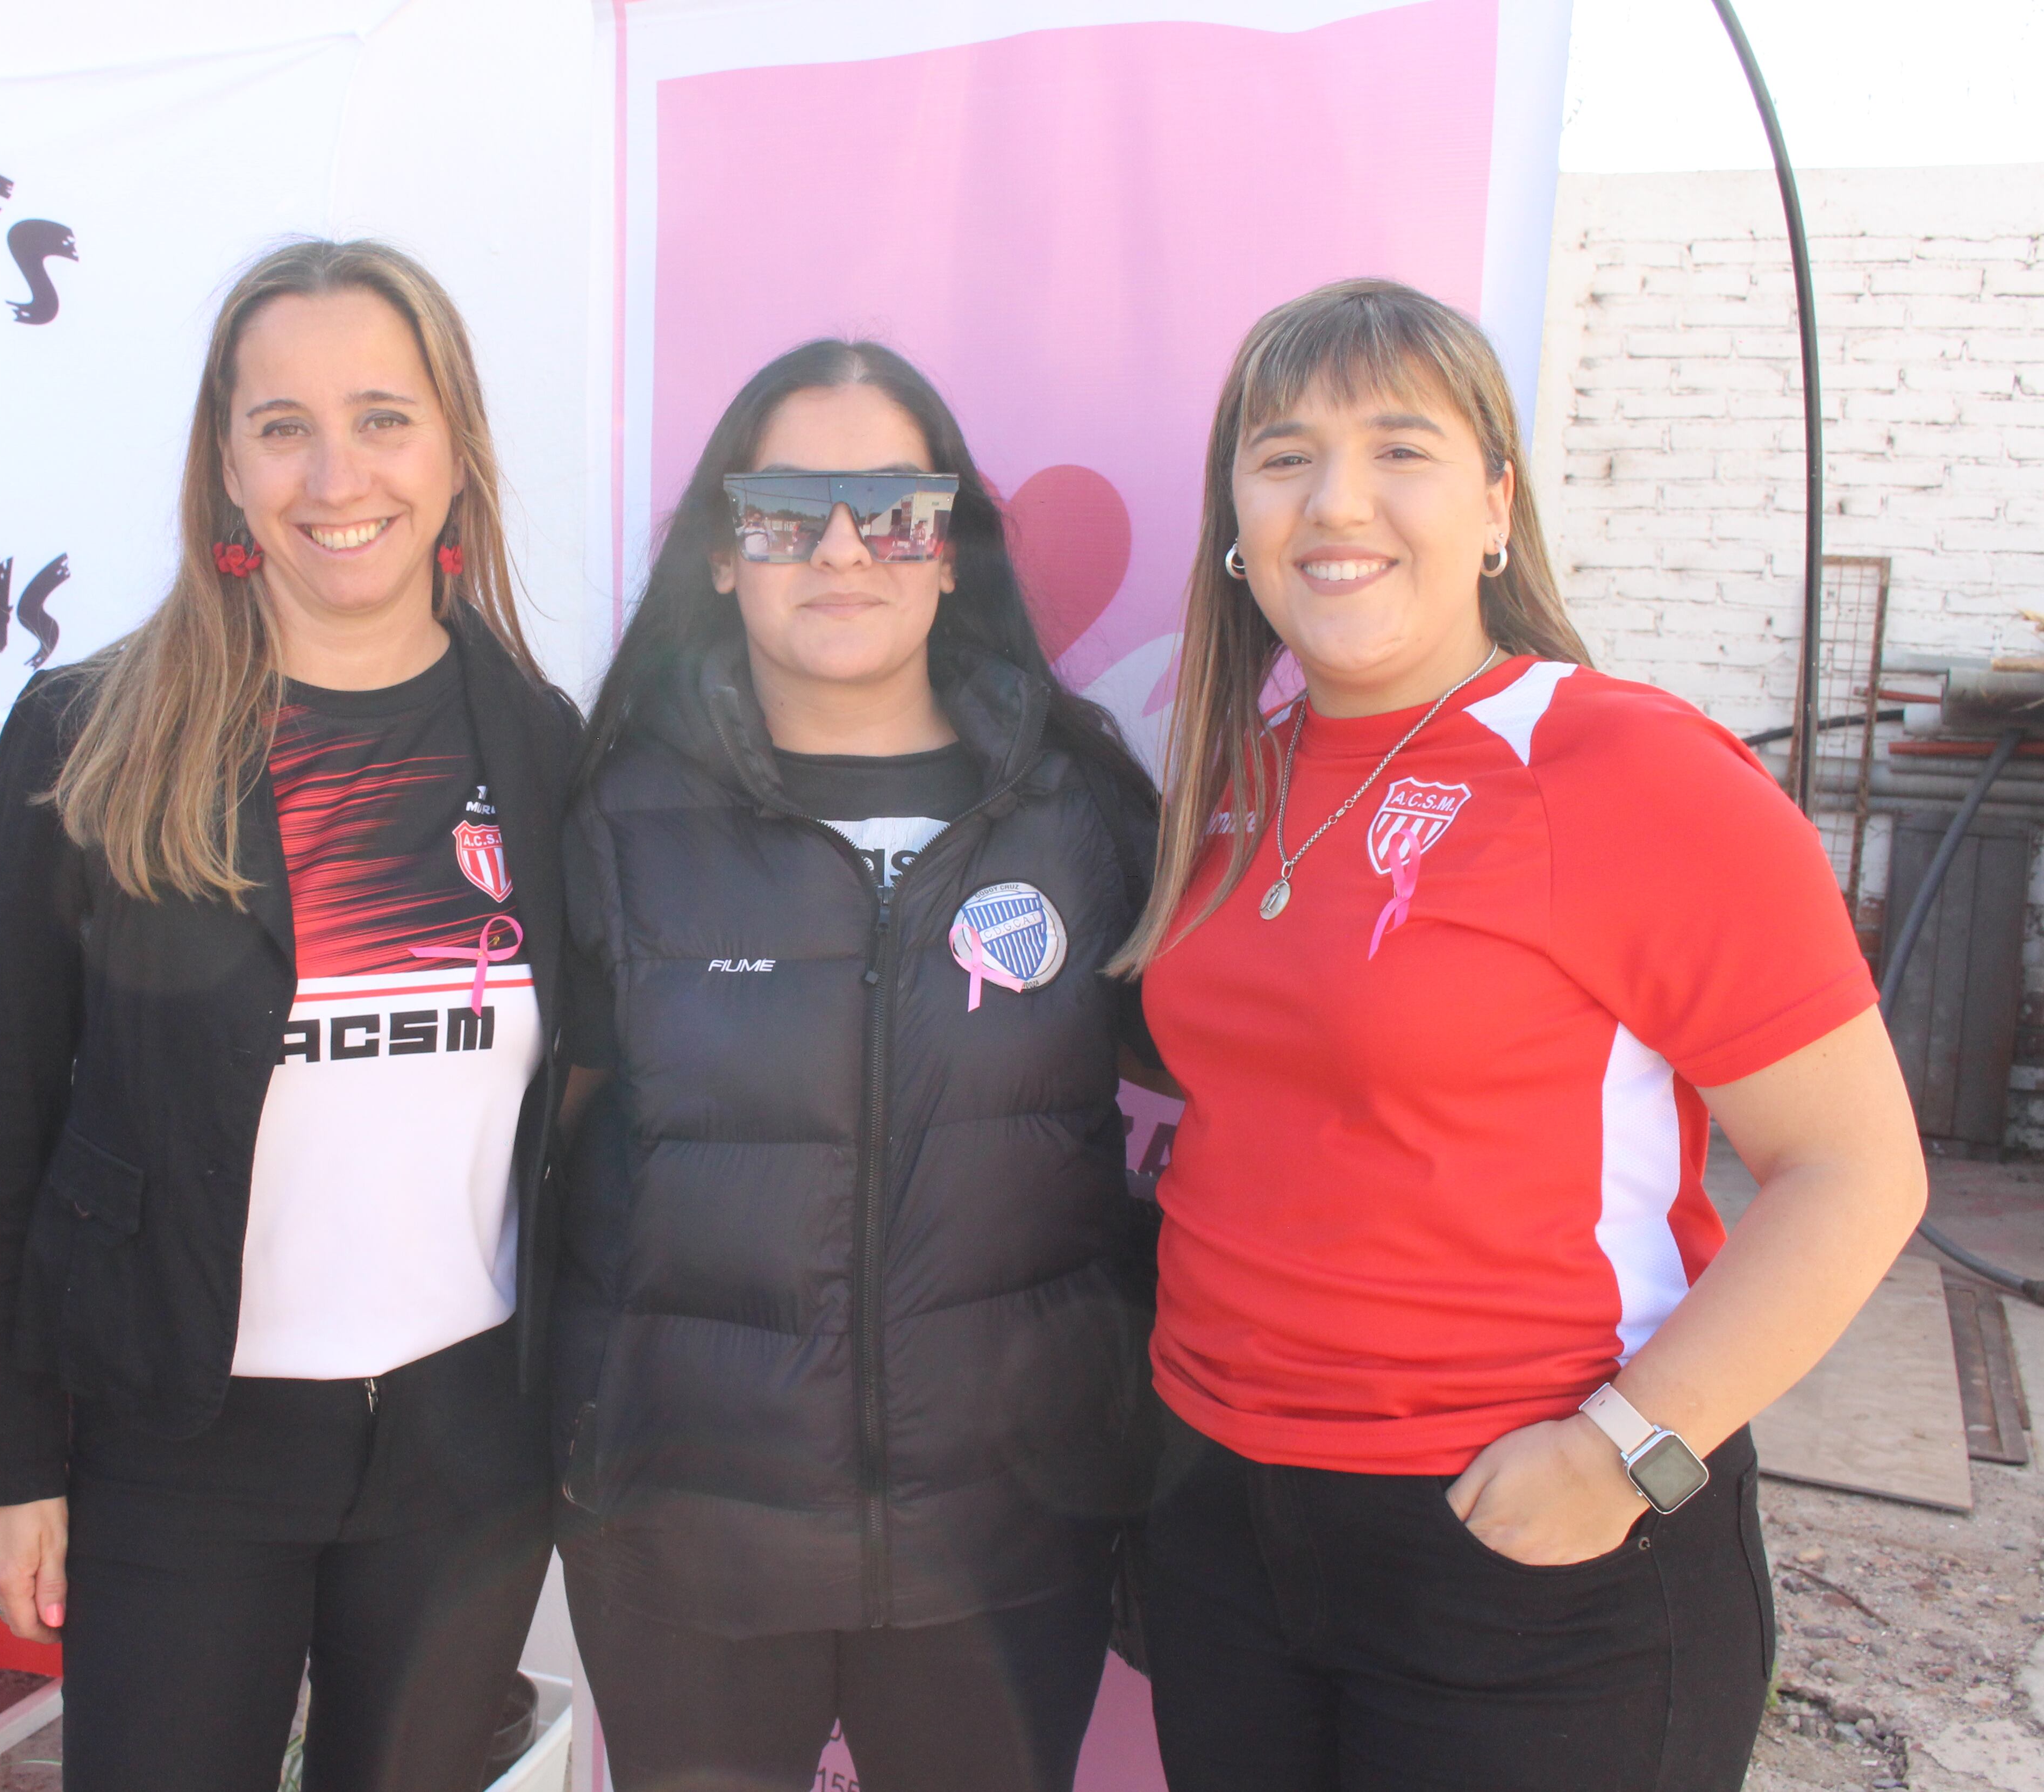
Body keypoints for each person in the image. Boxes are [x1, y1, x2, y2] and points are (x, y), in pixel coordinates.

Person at [1123, 278, 1927, 1792]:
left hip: (1530, 1549)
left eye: (1399, 450)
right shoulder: (1233, 776)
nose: (1333, 499)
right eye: (1282, 454)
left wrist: (1632, 1450)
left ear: (1497, 502)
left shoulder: (1627, 770)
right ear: (1235, 515)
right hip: (1229, 1523)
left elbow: (1856, 1172)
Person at [0, 238, 580, 1792]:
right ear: (224, 466)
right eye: (280, 424)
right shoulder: (89, 739)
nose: (333, 472)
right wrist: (6, 1468)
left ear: (454, 452)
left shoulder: (545, 742)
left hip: (465, 1450)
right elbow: (1, 1116)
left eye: (382, 415)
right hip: (179, 1446)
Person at [556, 339, 1163, 1792]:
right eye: (784, 509)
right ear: (722, 553)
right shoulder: (609, 815)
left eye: (895, 508)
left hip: (1005, 1536)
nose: (842, 548)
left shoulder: (1084, 812)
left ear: (952, 552)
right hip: (686, 1539)